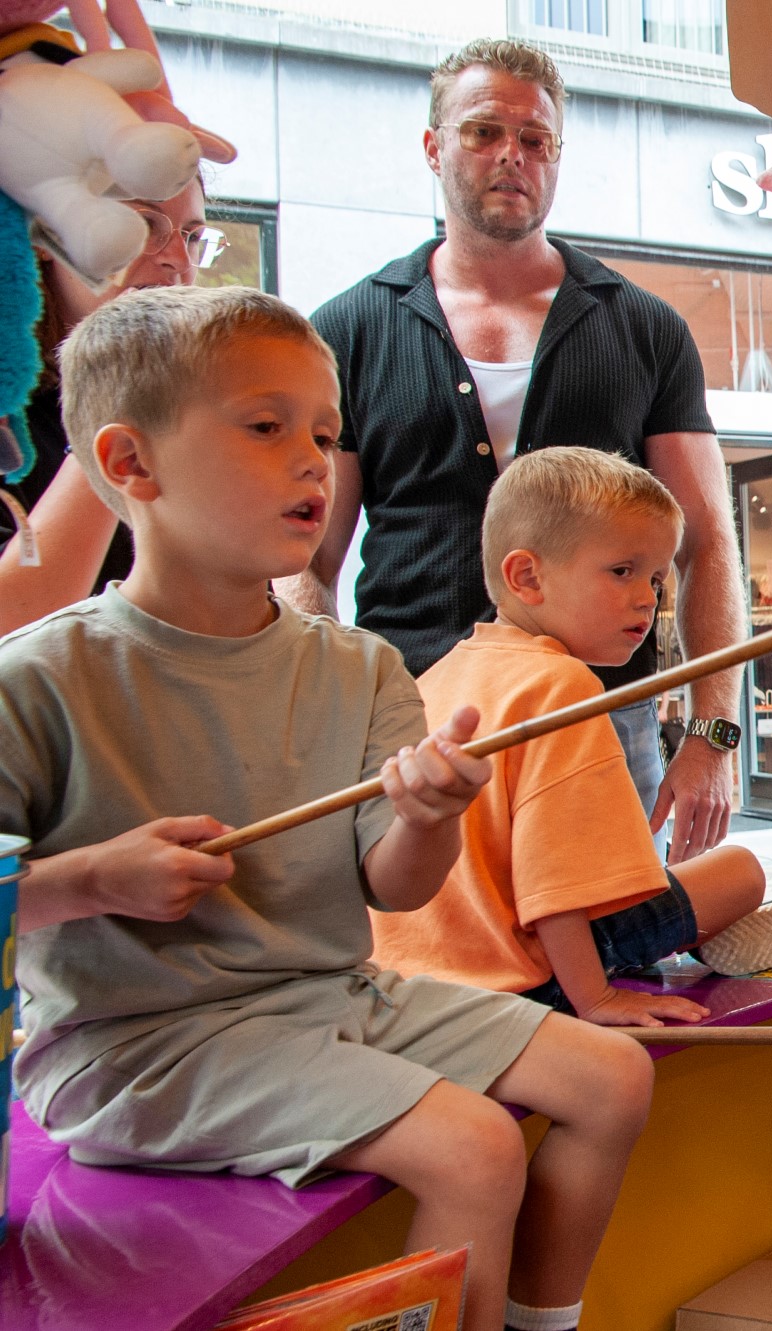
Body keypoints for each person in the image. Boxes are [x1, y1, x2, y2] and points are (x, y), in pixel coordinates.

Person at [7, 286, 654, 1331]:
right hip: (138, 1047)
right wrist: (92, 878)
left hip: (330, 994)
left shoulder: (361, 667)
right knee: (473, 1146)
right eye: (267, 427)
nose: (314, 461)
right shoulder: (37, 677)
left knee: (612, 1075)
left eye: (323, 433)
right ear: (131, 463)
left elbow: (392, 885)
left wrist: (428, 815)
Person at [300, 38, 745, 866]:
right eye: (483, 131)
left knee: (614, 942)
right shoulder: (347, 331)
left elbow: (709, 543)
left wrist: (713, 735)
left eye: (536, 139)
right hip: (414, 720)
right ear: (433, 146)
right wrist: (325, 729)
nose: (513, 154)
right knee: (429, 939)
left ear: (557, 156)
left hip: (605, 716)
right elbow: (308, 560)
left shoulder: (645, 329)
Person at [371, 448, 772, 1018]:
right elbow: (554, 887)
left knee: (660, 878)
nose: (648, 597)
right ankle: (696, 935)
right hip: (525, 972)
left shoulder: (434, 677)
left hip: (411, 976)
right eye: (622, 571)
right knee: (739, 870)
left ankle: (696, 933)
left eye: (656, 578)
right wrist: (595, 998)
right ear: (527, 577)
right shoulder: (561, 684)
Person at [0, 180, 216, 632]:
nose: (177, 260)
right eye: (141, 225)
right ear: (43, 234)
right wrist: (124, 396)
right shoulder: (11, 410)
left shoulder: (192, 404)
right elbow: (11, 622)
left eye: (193, 236)